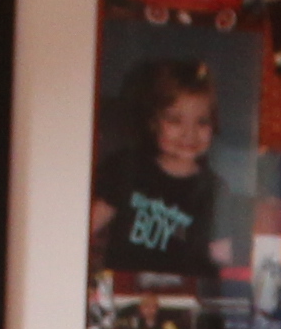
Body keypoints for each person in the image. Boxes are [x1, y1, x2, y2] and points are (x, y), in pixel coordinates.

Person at [88, 56, 238, 285]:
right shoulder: (126, 168)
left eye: (202, 122)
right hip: (123, 292)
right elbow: (88, 225)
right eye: (175, 120)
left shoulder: (216, 191)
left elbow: (222, 259)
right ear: (154, 122)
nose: (189, 134)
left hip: (181, 299)